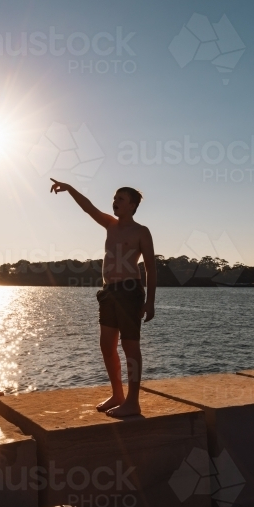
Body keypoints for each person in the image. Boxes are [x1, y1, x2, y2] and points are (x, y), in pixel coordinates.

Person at [49, 179, 156, 417]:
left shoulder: (141, 231)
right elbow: (88, 208)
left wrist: (150, 301)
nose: (115, 202)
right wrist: (69, 188)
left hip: (130, 291)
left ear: (132, 205)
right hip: (108, 292)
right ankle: (118, 395)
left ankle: (133, 402)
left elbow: (151, 268)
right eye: (114, 198)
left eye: (120, 199)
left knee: (130, 347)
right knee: (107, 346)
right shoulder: (110, 224)